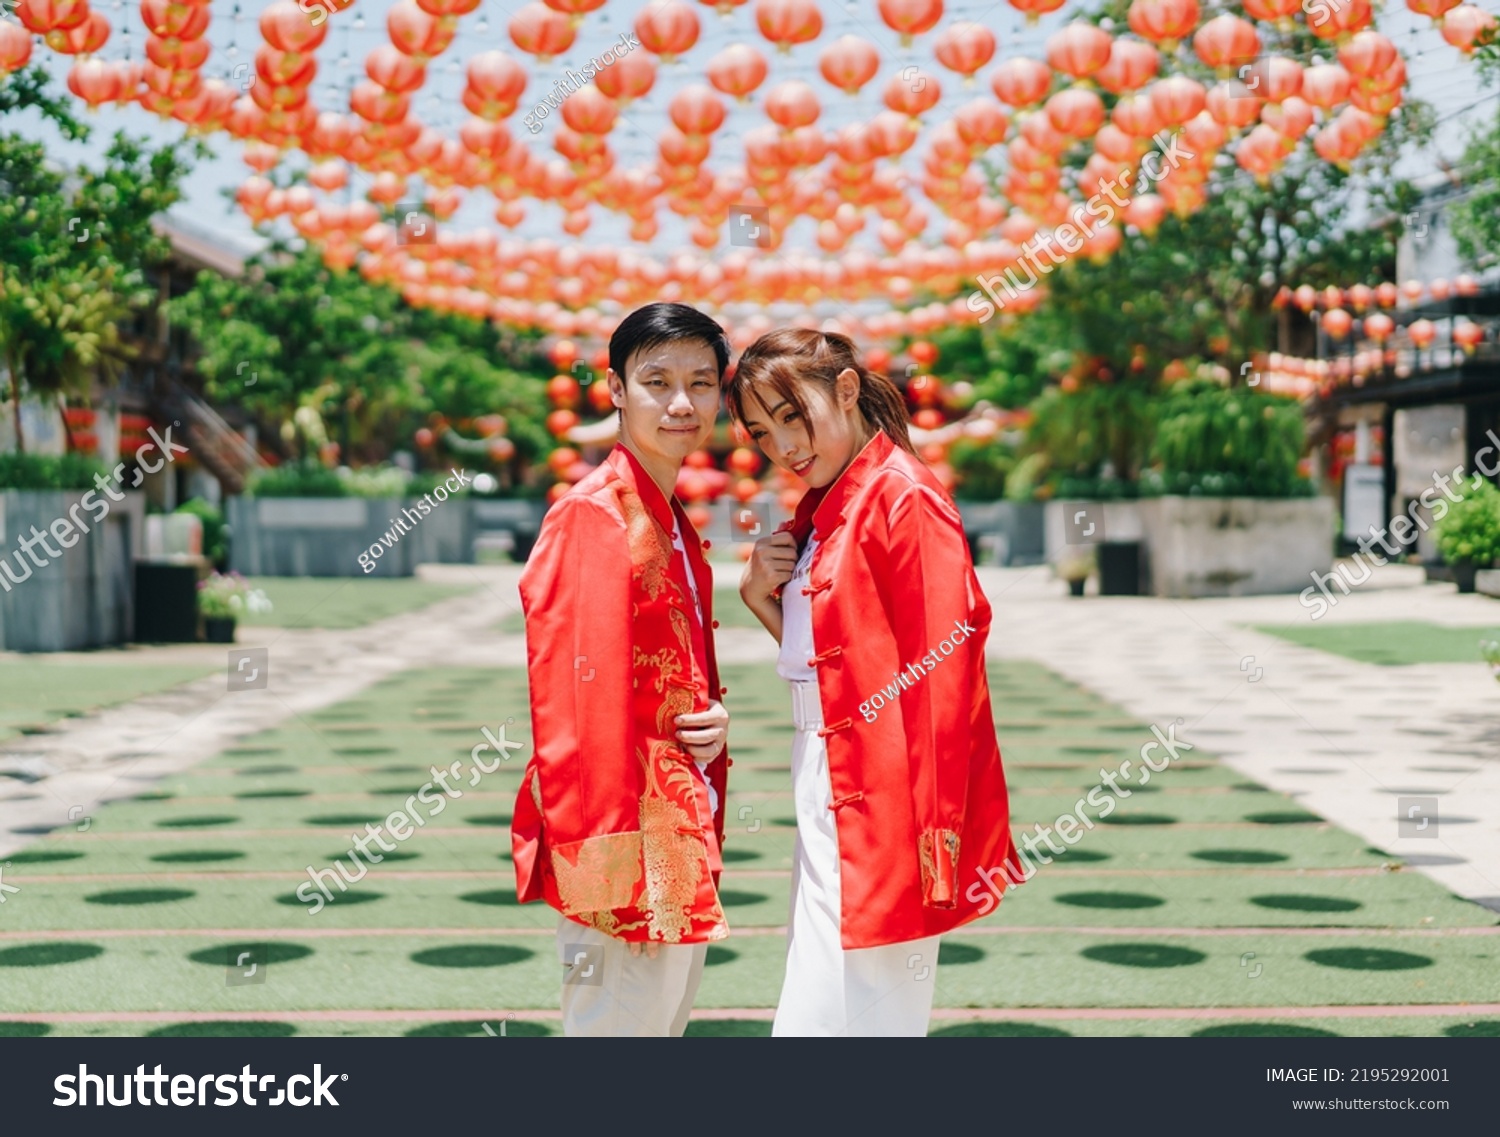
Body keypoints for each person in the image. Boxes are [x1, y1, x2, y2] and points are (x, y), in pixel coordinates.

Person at [730, 328, 1023, 1037]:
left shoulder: (900, 497)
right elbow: (835, 658)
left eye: (793, 417)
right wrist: (761, 599)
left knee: (845, 1013)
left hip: (885, 788)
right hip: (827, 771)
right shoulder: (828, 511)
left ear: (848, 390)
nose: (784, 448)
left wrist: (934, 834)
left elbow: (947, 672)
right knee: (844, 1004)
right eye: (764, 434)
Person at [511, 303, 733, 1037]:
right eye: (657, 380)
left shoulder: (666, 516)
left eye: (701, 383)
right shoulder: (595, 514)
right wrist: (609, 878)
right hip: (624, 854)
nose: (681, 402)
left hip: (676, 834)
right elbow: (572, 702)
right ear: (614, 388)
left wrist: (710, 722)